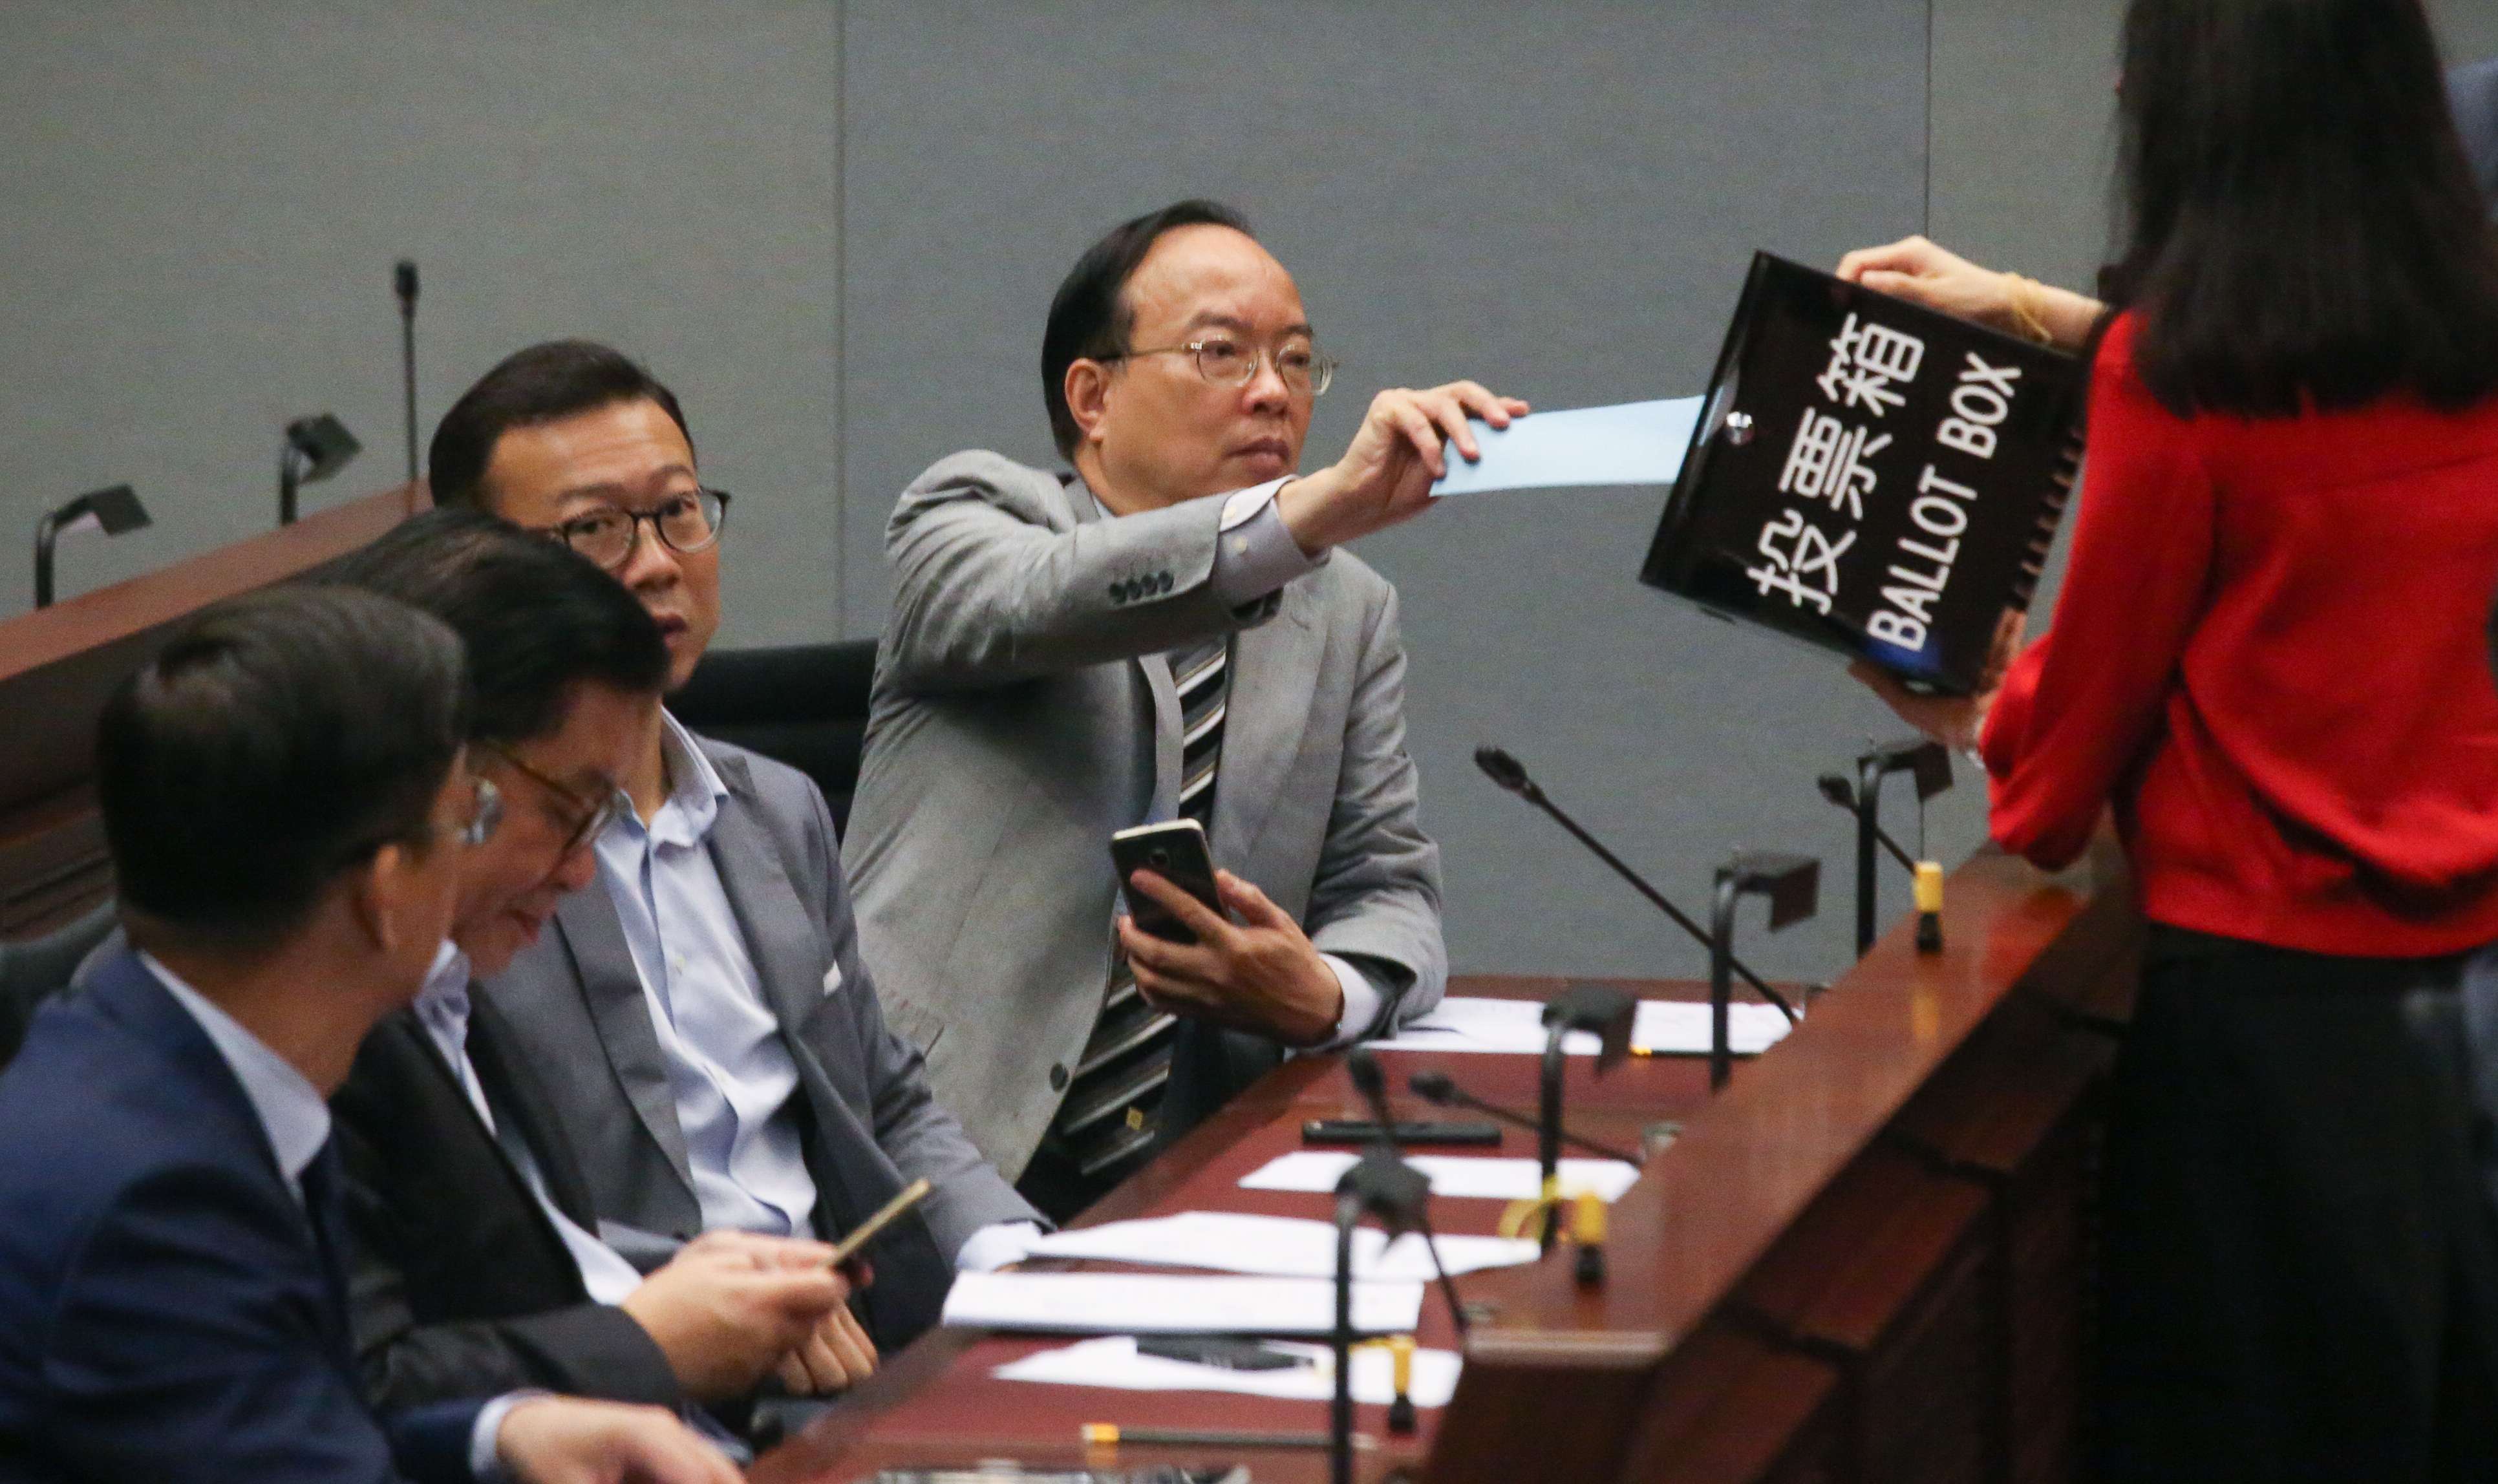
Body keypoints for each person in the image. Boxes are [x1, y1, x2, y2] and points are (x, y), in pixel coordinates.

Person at [1842, 2, 2498, 1477]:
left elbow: (2058, 783)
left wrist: (1976, 699)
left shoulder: (2182, 378)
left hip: (2264, 1044)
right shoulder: (2470, 342)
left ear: (2206, 107)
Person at [840, 198, 1524, 1217]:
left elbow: (1390, 890)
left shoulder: (1348, 612)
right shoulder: (971, 515)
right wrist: (1317, 511)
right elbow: (1044, 599)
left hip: (1200, 1179)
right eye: (1222, 354)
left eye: (1296, 362)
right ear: (1093, 396)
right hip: (923, 1155)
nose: (1272, 394)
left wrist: (1325, 994)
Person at [0, 586, 738, 1483]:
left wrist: (496, 1435)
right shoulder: (152, 1204)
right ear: (385, 895)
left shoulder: (173, 1054)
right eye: (465, 818)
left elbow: (293, 1417)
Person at [422, 341, 1041, 1350]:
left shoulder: (779, 810)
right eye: (595, 529)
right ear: (475, 568)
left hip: (854, 1345)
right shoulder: (475, 861)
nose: (659, 561)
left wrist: (1014, 1261)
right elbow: (480, 1216)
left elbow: (884, 1102)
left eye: (677, 512)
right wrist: (716, 1303)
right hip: (628, 1360)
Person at [322, 508, 869, 1432]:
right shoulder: (305, 1021)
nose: (583, 871)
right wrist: (646, 1335)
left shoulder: (443, 983)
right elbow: (341, 1385)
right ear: (448, 786)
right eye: (574, 812)